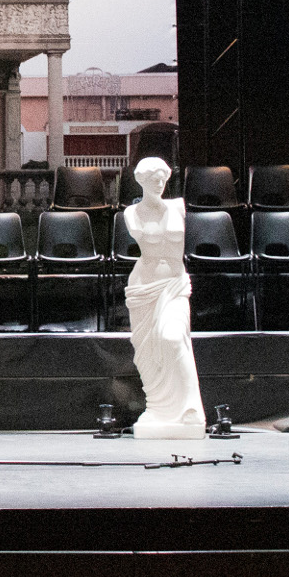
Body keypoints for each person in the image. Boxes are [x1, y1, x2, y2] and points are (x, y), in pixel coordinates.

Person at [121, 156, 206, 436]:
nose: (159, 184)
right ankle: (156, 408)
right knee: (147, 353)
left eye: (162, 179)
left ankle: (190, 407)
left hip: (174, 285)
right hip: (144, 288)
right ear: (141, 181)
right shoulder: (131, 214)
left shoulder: (177, 207)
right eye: (153, 179)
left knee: (172, 338)